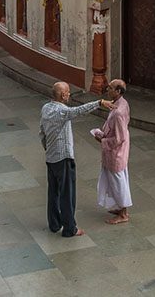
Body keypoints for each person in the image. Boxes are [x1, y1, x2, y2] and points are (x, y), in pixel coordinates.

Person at [39, 82, 113, 237]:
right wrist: (99, 102)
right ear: (62, 95)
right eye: (67, 92)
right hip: (64, 158)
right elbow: (79, 111)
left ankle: (54, 223)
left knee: (53, 192)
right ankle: (69, 228)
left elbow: (42, 133)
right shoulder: (63, 111)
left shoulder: (46, 108)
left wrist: (48, 148)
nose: (69, 94)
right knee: (67, 194)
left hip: (51, 157)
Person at [92, 78, 132, 224]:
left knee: (118, 182)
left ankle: (123, 213)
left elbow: (119, 138)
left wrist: (102, 140)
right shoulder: (121, 103)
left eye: (110, 88)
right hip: (117, 150)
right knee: (116, 180)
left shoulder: (119, 112)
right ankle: (120, 208)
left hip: (116, 152)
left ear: (118, 91)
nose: (107, 90)